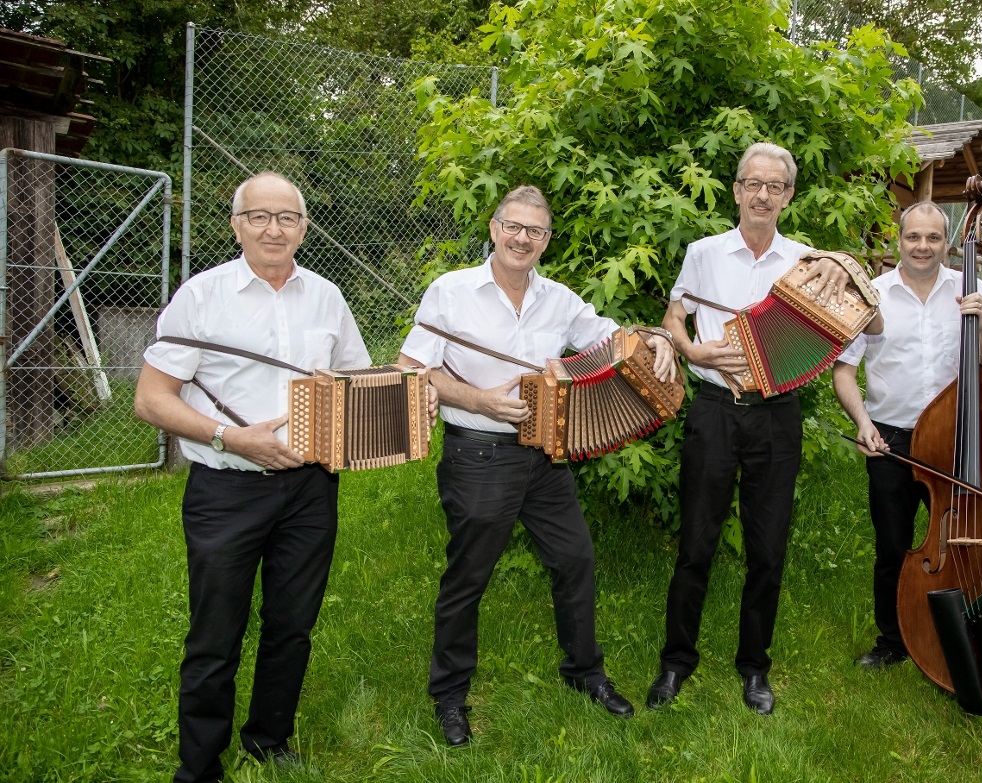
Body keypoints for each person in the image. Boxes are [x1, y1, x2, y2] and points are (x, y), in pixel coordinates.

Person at [398, 184, 677, 746]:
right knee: (468, 578)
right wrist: (479, 400)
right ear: (495, 229)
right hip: (477, 454)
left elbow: (610, 336)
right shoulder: (450, 292)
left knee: (575, 561)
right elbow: (413, 370)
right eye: (513, 226)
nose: (523, 238)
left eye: (536, 231)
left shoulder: (559, 299)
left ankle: (584, 675)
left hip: (545, 459)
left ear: (546, 241)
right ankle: (450, 697)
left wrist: (658, 338)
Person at [135, 172, 373, 783]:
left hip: (311, 489)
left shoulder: (327, 297)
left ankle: (269, 739)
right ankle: (200, 767)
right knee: (216, 635)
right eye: (259, 216)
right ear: (236, 224)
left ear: (303, 227)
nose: (274, 228)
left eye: (286, 218)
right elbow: (151, 398)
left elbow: (354, 383)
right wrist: (228, 437)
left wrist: (406, 402)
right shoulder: (202, 295)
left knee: (292, 625)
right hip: (226, 490)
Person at [646, 142, 871, 715]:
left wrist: (845, 263)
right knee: (696, 543)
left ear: (789, 196)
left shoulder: (806, 263)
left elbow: (869, 310)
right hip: (715, 412)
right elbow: (676, 314)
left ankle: (755, 669)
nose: (762, 195)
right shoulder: (702, 253)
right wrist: (694, 349)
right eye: (753, 183)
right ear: (737, 188)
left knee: (768, 550)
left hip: (778, 415)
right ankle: (675, 664)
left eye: (775, 186)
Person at [832, 199, 982, 670]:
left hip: (956, 438)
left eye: (933, 238)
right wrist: (863, 424)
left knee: (959, 544)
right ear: (899, 240)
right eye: (914, 236)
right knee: (892, 547)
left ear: (947, 244)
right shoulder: (873, 294)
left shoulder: (973, 290)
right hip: (890, 439)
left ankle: (963, 639)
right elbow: (844, 372)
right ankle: (893, 642)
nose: (923, 246)